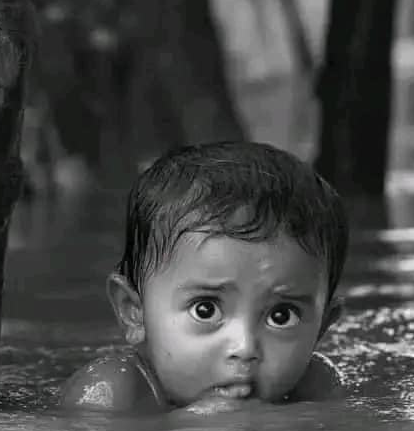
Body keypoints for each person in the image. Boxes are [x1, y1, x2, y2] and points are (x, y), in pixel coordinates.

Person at [61, 141, 349, 412]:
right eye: (205, 309)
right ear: (134, 311)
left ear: (322, 326)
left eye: (282, 316)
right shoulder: (111, 396)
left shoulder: (315, 388)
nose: (244, 348)